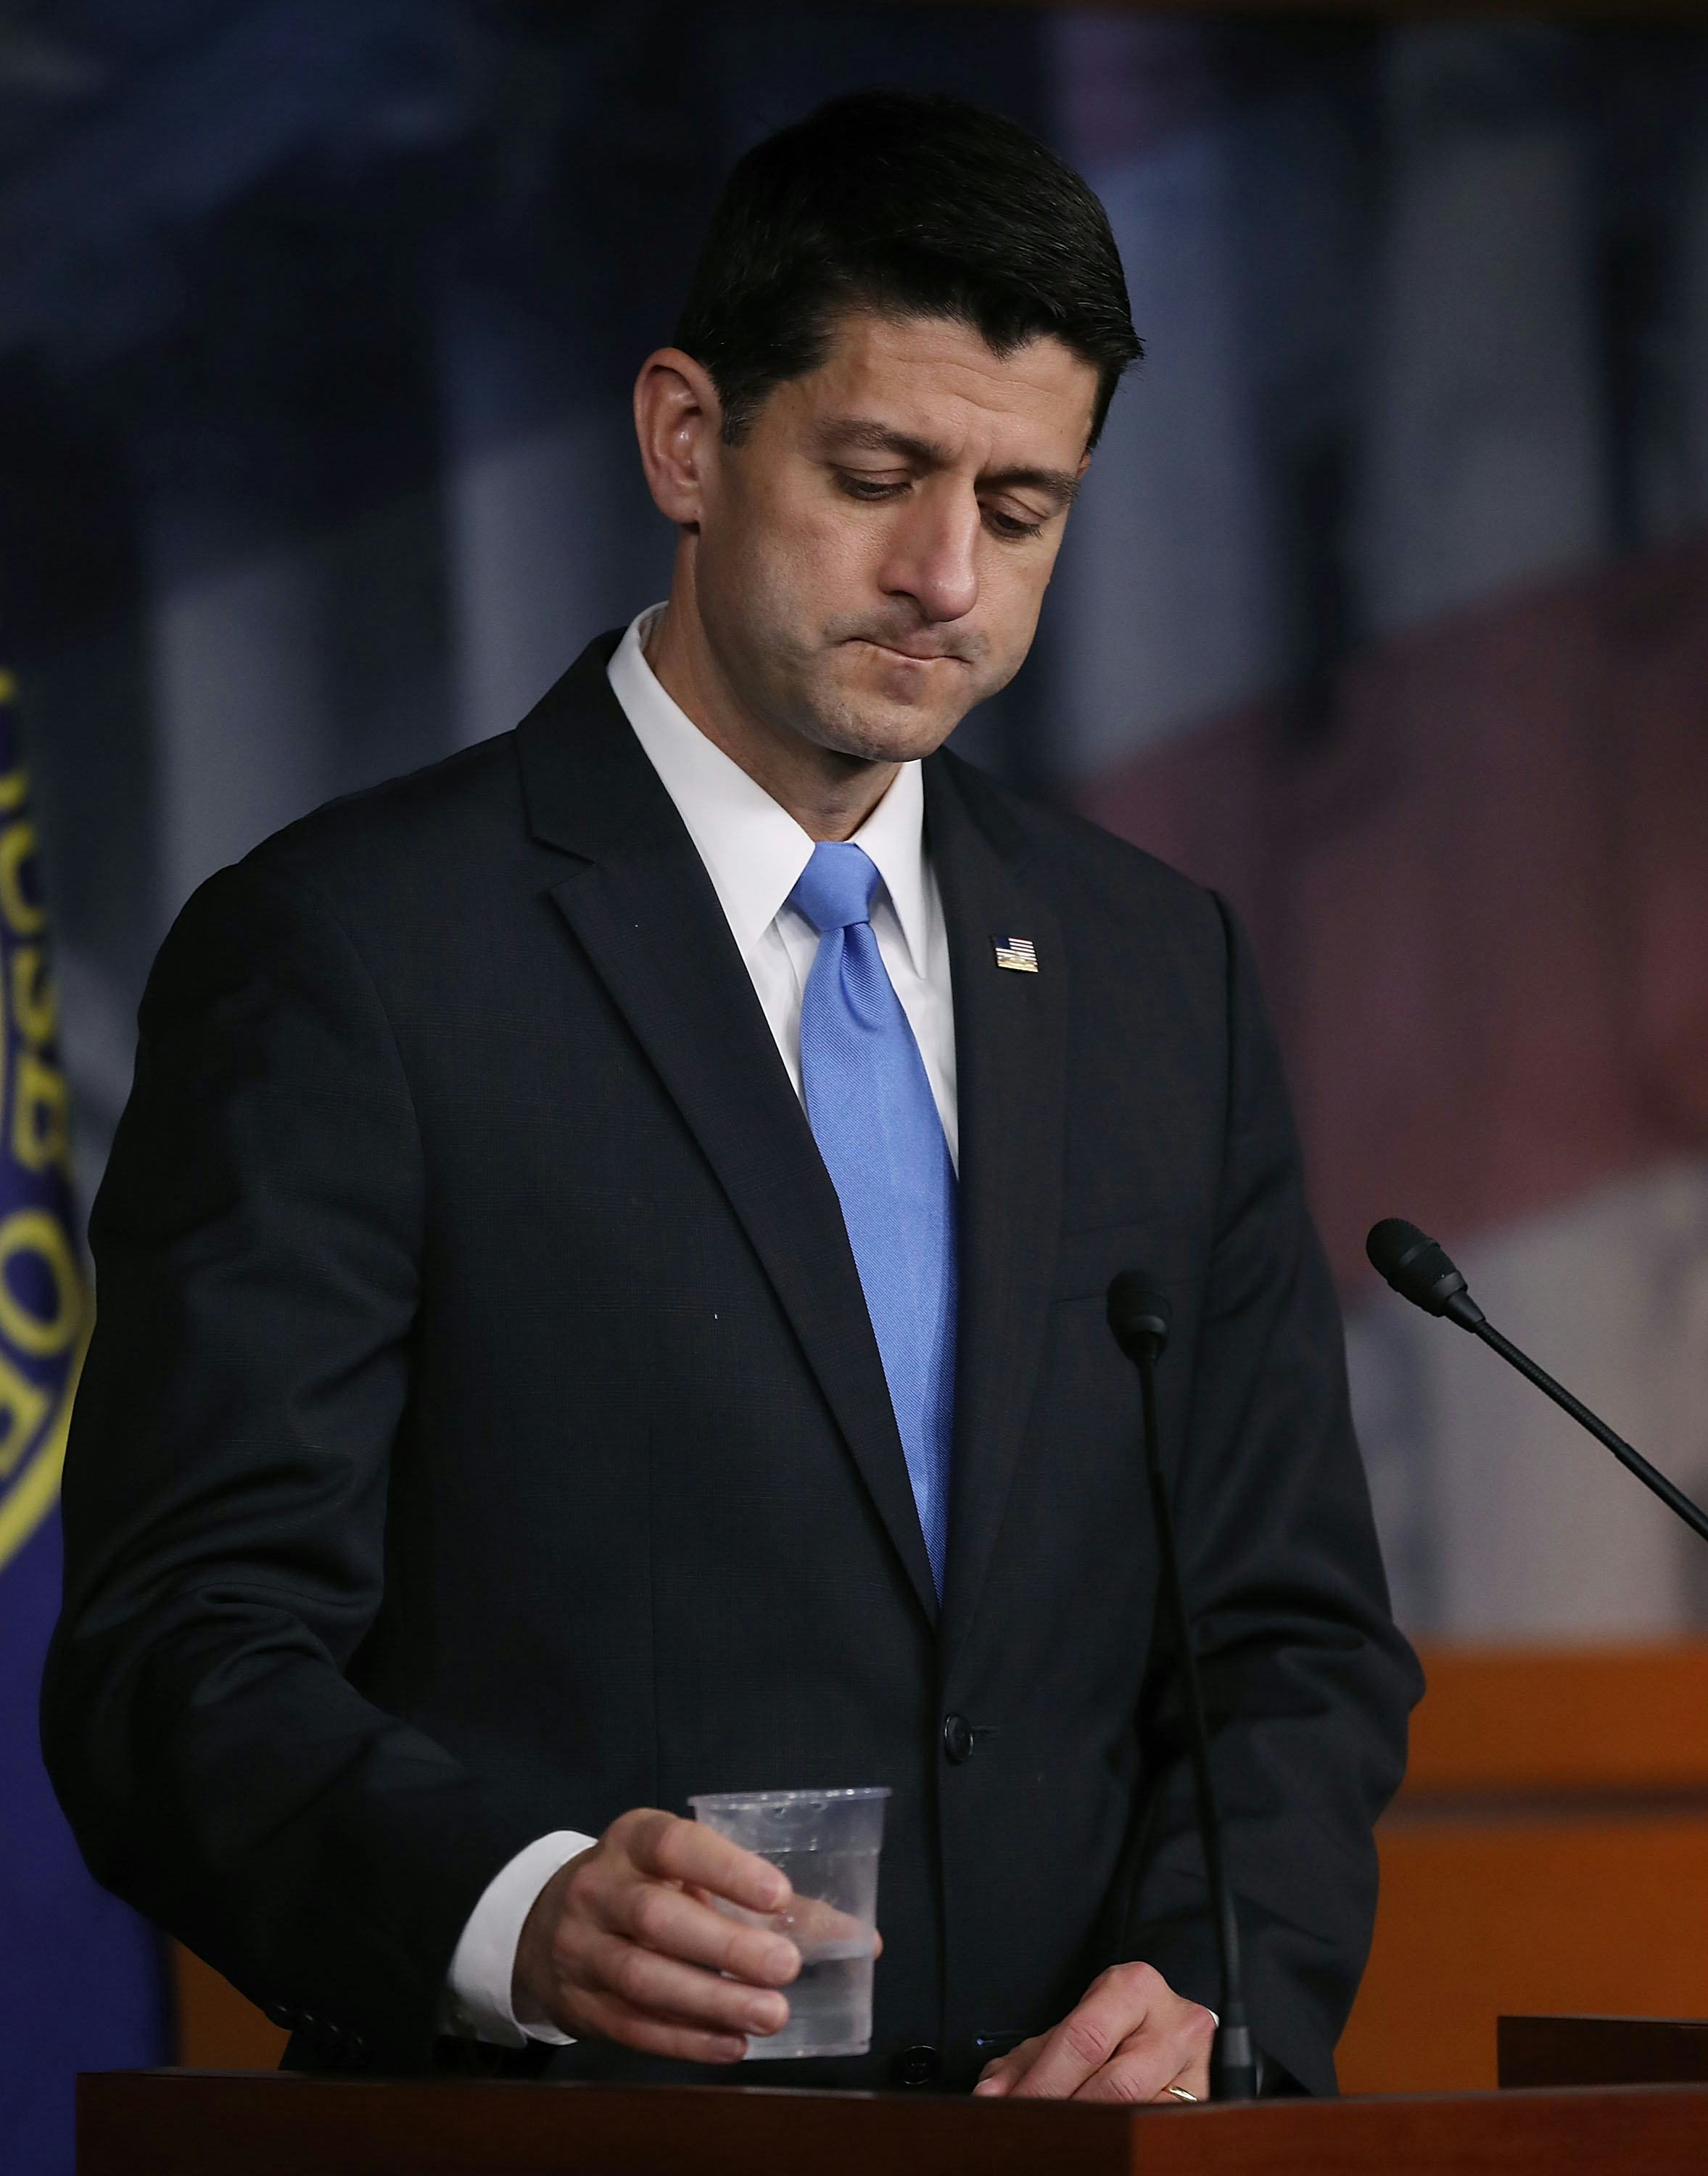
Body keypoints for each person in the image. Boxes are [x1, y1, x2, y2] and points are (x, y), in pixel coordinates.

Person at [43, 90, 1420, 2103]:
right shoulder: (352, 953)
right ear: (686, 438)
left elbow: (1285, 1634)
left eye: (1021, 509)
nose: (944, 575)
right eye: (878, 475)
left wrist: (1216, 1984)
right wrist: (513, 1914)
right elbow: (180, 1650)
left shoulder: (1157, 975)